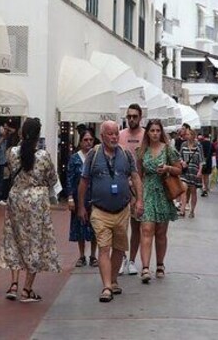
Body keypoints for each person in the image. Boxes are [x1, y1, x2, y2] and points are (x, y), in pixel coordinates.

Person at [78, 120, 144, 303]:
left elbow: (136, 178)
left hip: (122, 210)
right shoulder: (93, 154)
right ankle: (106, 286)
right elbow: (83, 182)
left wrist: (139, 200)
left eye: (116, 133)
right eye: (110, 134)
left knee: (119, 248)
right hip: (100, 211)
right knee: (104, 247)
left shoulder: (126, 154)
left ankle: (113, 279)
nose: (114, 137)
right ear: (102, 136)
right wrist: (81, 206)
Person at [0, 118, 62, 302]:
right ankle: (27, 288)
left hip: (16, 198)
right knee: (35, 242)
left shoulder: (12, 153)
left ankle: (13, 284)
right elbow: (52, 178)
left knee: (14, 239)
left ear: (21, 133)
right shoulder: (43, 156)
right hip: (36, 202)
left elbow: (11, 171)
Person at [137, 119, 182, 283]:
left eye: (157, 130)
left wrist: (168, 168)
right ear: (147, 133)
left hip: (163, 192)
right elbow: (138, 176)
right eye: (152, 131)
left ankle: (160, 264)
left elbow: (179, 169)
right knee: (147, 229)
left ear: (161, 132)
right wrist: (137, 198)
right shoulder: (141, 151)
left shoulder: (168, 149)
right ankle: (145, 268)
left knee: (161, 232)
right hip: (148, 191)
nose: (155, 133)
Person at [118, 104, 145, 276]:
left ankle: (133, 260)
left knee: (137, 226)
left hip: (139, 187)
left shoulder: (145, 136)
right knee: (120, 226)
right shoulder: (120, 135)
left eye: (135, 116)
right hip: (120, 186)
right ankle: (121, 258)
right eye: (129, 116)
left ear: (140, 117)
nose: (132, 119)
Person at [67, 128, 97, 267]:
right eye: (85, 140)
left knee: (96, 225)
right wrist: (70, 197)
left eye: (91, 140)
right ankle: (81, 255)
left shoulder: (97, 156)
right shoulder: (74, 158)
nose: (88, 142)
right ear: (80, 142)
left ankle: (93, 255)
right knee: (80, 225)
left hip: (95, 196)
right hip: (80, 197)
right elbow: (69, 178)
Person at [179, 125, 204, 218]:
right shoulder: (183, 145)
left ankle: (192, 210)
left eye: (189, 134)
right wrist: (182, 162)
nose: (187, 135)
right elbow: (179, 156)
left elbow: (201, 160)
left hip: (194, 171)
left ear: (193, 135)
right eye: (186, 134)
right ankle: (183, 209)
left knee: (193, 191)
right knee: (183, 189)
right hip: (185, 171)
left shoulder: (198, 146)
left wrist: (200, 171)